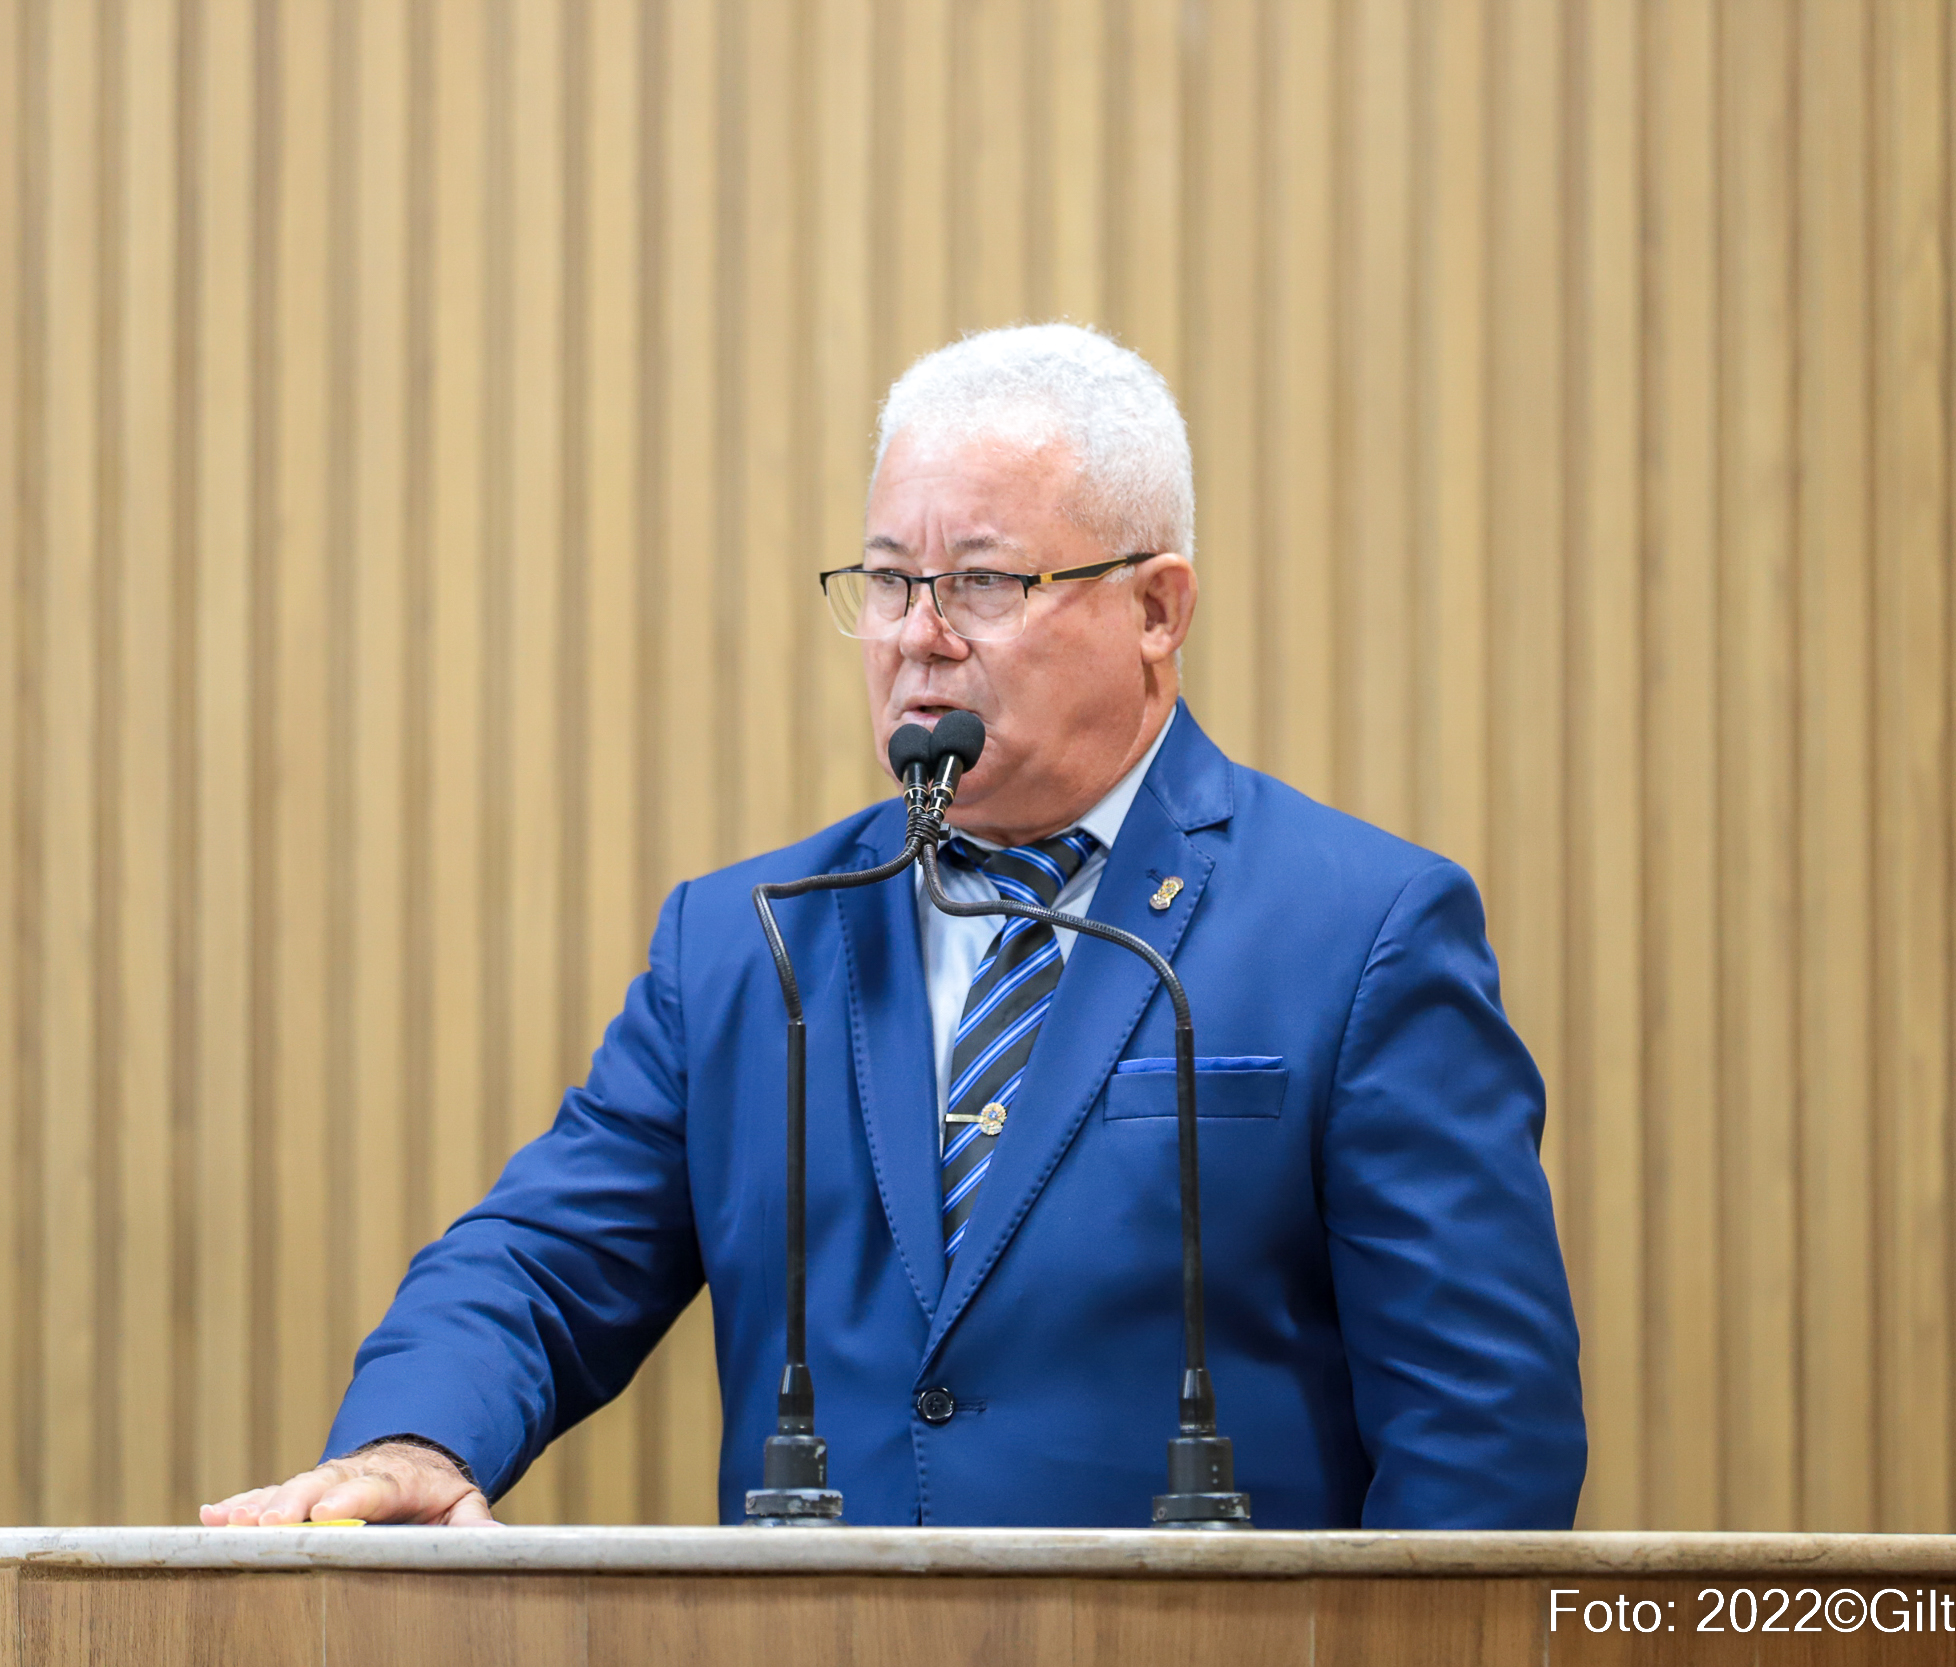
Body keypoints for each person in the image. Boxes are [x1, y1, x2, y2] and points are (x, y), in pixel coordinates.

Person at [200, 324, 1585, 1531]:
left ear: (1157, 609)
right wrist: (416, 1440)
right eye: (884, 580)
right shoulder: (749, 943)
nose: (918, 636)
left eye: (982, 582)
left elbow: (1483, 1433)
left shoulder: (1361, 932)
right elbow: (543, 1261)